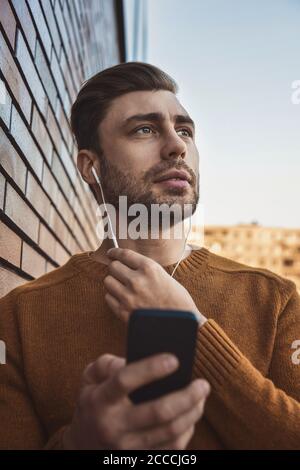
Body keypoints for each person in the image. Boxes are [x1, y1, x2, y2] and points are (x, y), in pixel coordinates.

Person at [0, 62, 299, 450]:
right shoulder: (17, 318)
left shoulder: (275, 299)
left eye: (185, 131)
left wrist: (193, 330)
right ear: (91, 167)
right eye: (144, 129)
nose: (177, 145)